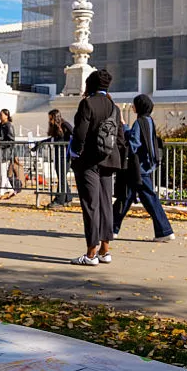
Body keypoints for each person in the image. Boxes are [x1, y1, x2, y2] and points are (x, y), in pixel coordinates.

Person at [69, 69, 125, 266]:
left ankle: (91, 253)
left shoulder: (87, 104)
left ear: (90, 85)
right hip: (108, 160)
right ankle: (105, 250)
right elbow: (120, 138)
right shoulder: (113, 107)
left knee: (90, 205)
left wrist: (75, 153)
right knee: (105, 204)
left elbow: (80, 133)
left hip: (89, 161)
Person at [112, 94, 174, 243]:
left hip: (138, 168)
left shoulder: (140, 122)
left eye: (134, 104)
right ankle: (111, 229)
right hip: (144, 167)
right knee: (127, 197)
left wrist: (124, 126)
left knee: (140, 198)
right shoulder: (148, 120)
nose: (133, 107)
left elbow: (134, 142)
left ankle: (164, 231)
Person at [36, 109, 73, 208]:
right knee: (62, 177)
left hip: (65, 155)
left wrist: (69, 144)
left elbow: (74, 134)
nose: (49, 121)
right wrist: (41, 142)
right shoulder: (56, 127)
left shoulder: (65, 125)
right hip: (58, 155)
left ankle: (59, 200)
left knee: (61, 178)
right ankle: (68, 198)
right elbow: (53, 138)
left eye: (51, 118)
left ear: (55, 117)